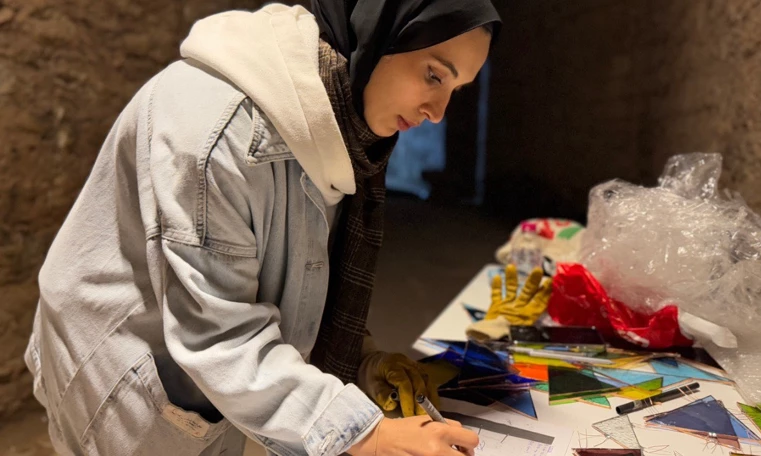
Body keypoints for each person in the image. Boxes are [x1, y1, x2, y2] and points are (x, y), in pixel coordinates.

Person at [23, 1, 501, 455]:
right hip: (121, 362)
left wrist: (361, 359)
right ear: (377, 31)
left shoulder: (336, 124)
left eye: (455, 92)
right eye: (434, 75)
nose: (437, 112)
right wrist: (366, 431)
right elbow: (218, 336)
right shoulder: (217, 132)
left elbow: (300, 272)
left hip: (198, 353)